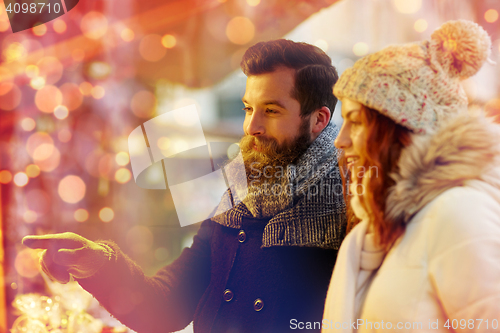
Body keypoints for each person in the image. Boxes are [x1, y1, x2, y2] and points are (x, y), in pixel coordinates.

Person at [23, 39, 347, 333]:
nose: (252, 126)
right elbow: (167, 309)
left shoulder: (350, 206)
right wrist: (99, 265)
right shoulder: (238, 193)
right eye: (249, 108)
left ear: (318, 119)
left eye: (271, 110)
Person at [322, 20, 500, 332]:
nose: (341, 139)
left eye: (357, 122)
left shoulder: (456, 212)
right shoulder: (388, 224)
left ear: (401, 129)